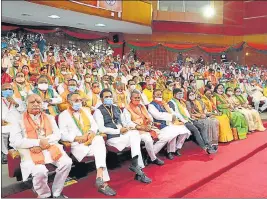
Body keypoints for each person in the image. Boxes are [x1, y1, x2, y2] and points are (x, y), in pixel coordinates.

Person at [9, 94, 72, 198]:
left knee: (67, 163)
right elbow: (16, 141)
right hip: (30, 151)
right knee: (40, 171)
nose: (35, 104)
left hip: (50, 147)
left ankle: (57, 192)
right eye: (32, 102)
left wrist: (43, 144)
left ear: (42, 104)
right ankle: (44, 194)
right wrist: (38, 142)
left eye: (38, 102)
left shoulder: (49, 117)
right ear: (26, 104)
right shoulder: (18, 120)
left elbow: (57, 135)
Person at [59, 92, 116, 196]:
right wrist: (78, 138)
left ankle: (100, 178)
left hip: (91, 140)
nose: (79, 102)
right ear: (69, 102)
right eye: (76, 100)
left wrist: (91, 132)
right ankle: (102, 182)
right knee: (101, 151)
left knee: (99, 139)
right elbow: (62, 135)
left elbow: (94, 126)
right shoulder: (63, 115)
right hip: (78, 145)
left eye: (80, 100)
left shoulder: (85, 110)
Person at [93, 89, 152, 184]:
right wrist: (118, 130)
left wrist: (126, 127)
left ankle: (136, 166)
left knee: (135, 134)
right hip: (112, 137)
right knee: (135, 141)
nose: (109, 98)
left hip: (123, 134)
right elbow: (101, 129)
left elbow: (123, 121)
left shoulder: (116, 107)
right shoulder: (98, 111)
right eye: (106, 97)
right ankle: (139, 171)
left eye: (110, 96)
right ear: (101, 99)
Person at [122, 89, 172, 165]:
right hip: (136, 130)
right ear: (131, 98)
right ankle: (153, 158)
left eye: (138, 97)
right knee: (148, 140)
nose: (137, 99)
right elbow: (128, 123)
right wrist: (141, 127)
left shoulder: (142, 106)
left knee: (166, 137)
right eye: (135, 98)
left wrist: (149, 124)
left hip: (147, 127)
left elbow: (150, 117)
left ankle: (148, 154)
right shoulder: (127, 109)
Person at [168, 89, 217, 153]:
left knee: (202, 127)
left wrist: (190, 118)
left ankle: (208, 144)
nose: (180, 95)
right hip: (181, 121)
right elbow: (174, 113)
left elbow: (186, 112)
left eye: (181, 93)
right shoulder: (171, 102)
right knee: (195, 130)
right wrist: (184, 120)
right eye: (178, 94)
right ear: (174, 94)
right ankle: (205, 148)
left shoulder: (182, 102)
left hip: (189, 119)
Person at [148, 89, 191, 159]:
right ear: (153, 96)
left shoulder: (164, 103)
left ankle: (177, 148)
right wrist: (170, 116)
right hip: (160, 125)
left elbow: (172, 112)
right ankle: (169, 152)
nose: (159, 96)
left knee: (185, 131)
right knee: (173, 133)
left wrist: (177, 118)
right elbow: (157, 115)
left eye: (160, 94)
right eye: (157, 94)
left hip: (170, 122)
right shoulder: (151, 105)